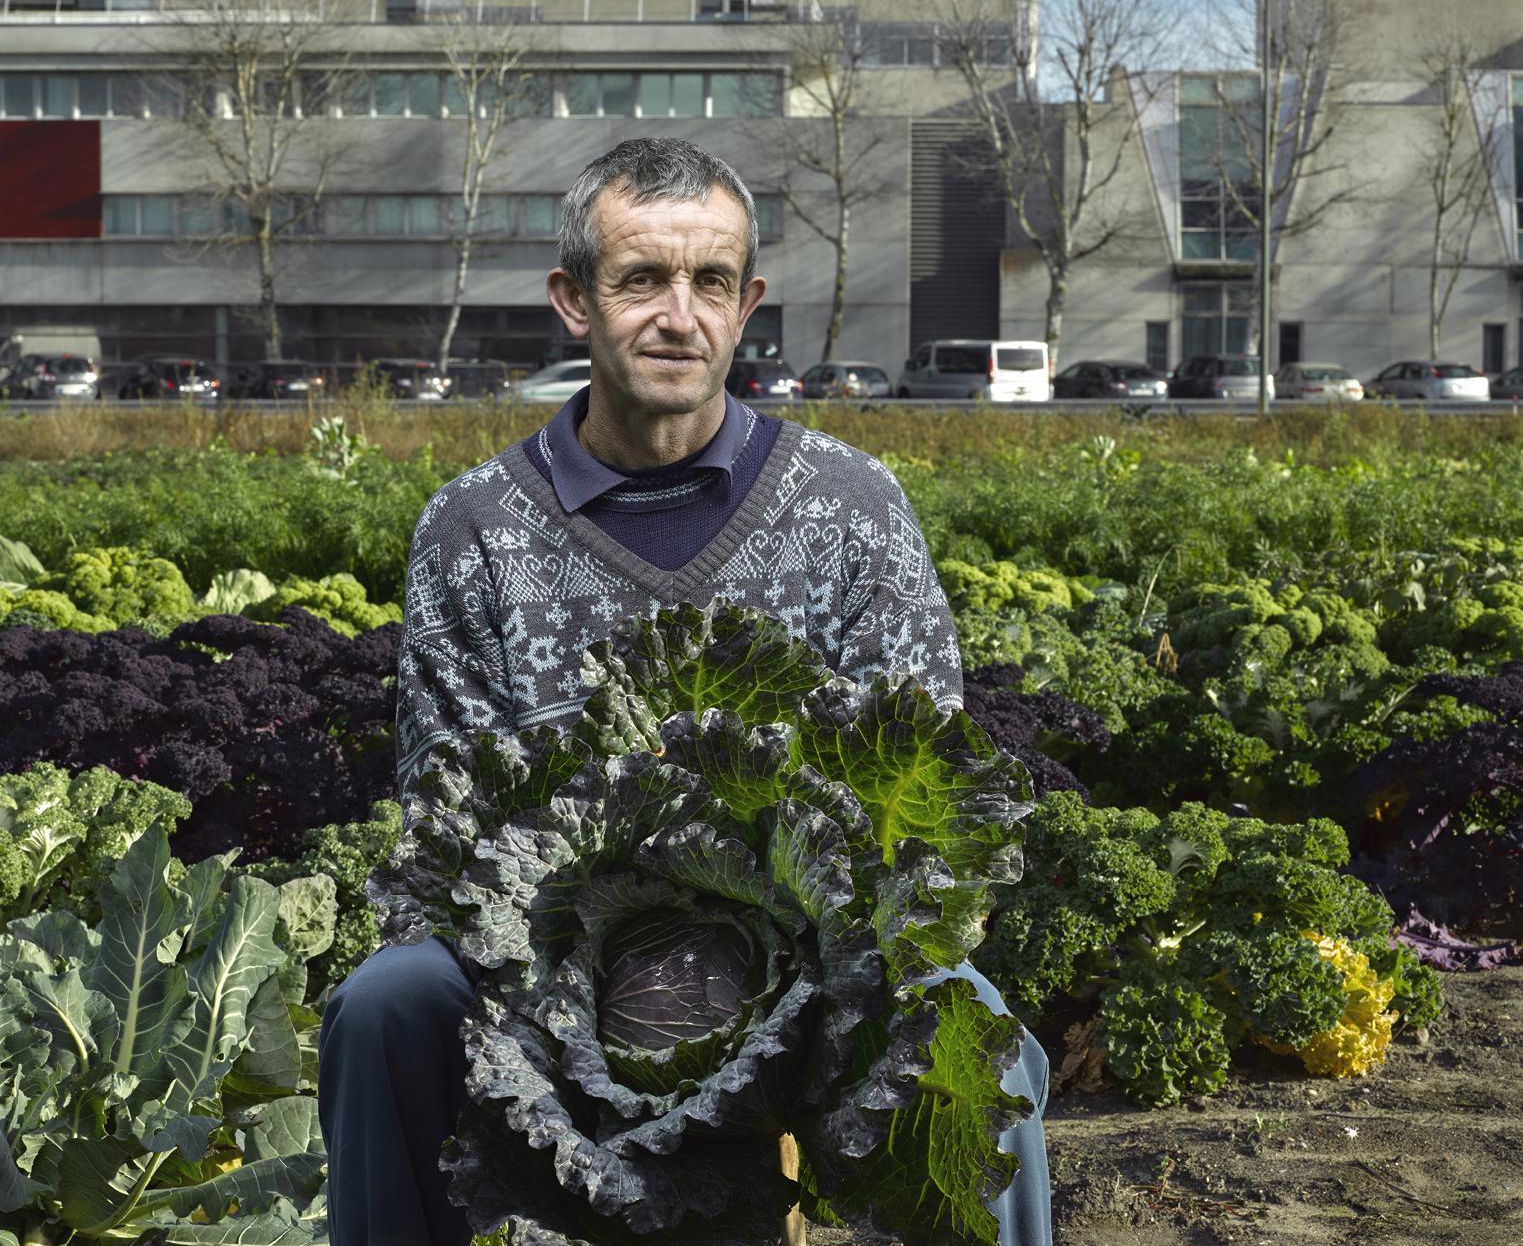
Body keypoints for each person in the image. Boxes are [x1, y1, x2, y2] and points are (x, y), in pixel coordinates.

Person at [318, 137, 1052, 1246]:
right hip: (549, 985)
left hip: (819, 983)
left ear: (747, 301)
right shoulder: (473, 531)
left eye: (710, 281)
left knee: (975, 1024)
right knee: (387, 1003)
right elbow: (449, 823)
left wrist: (802, 951)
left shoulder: (850, 512)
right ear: (574, 300)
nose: (678, 315)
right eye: (640, 280)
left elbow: (921, 792)